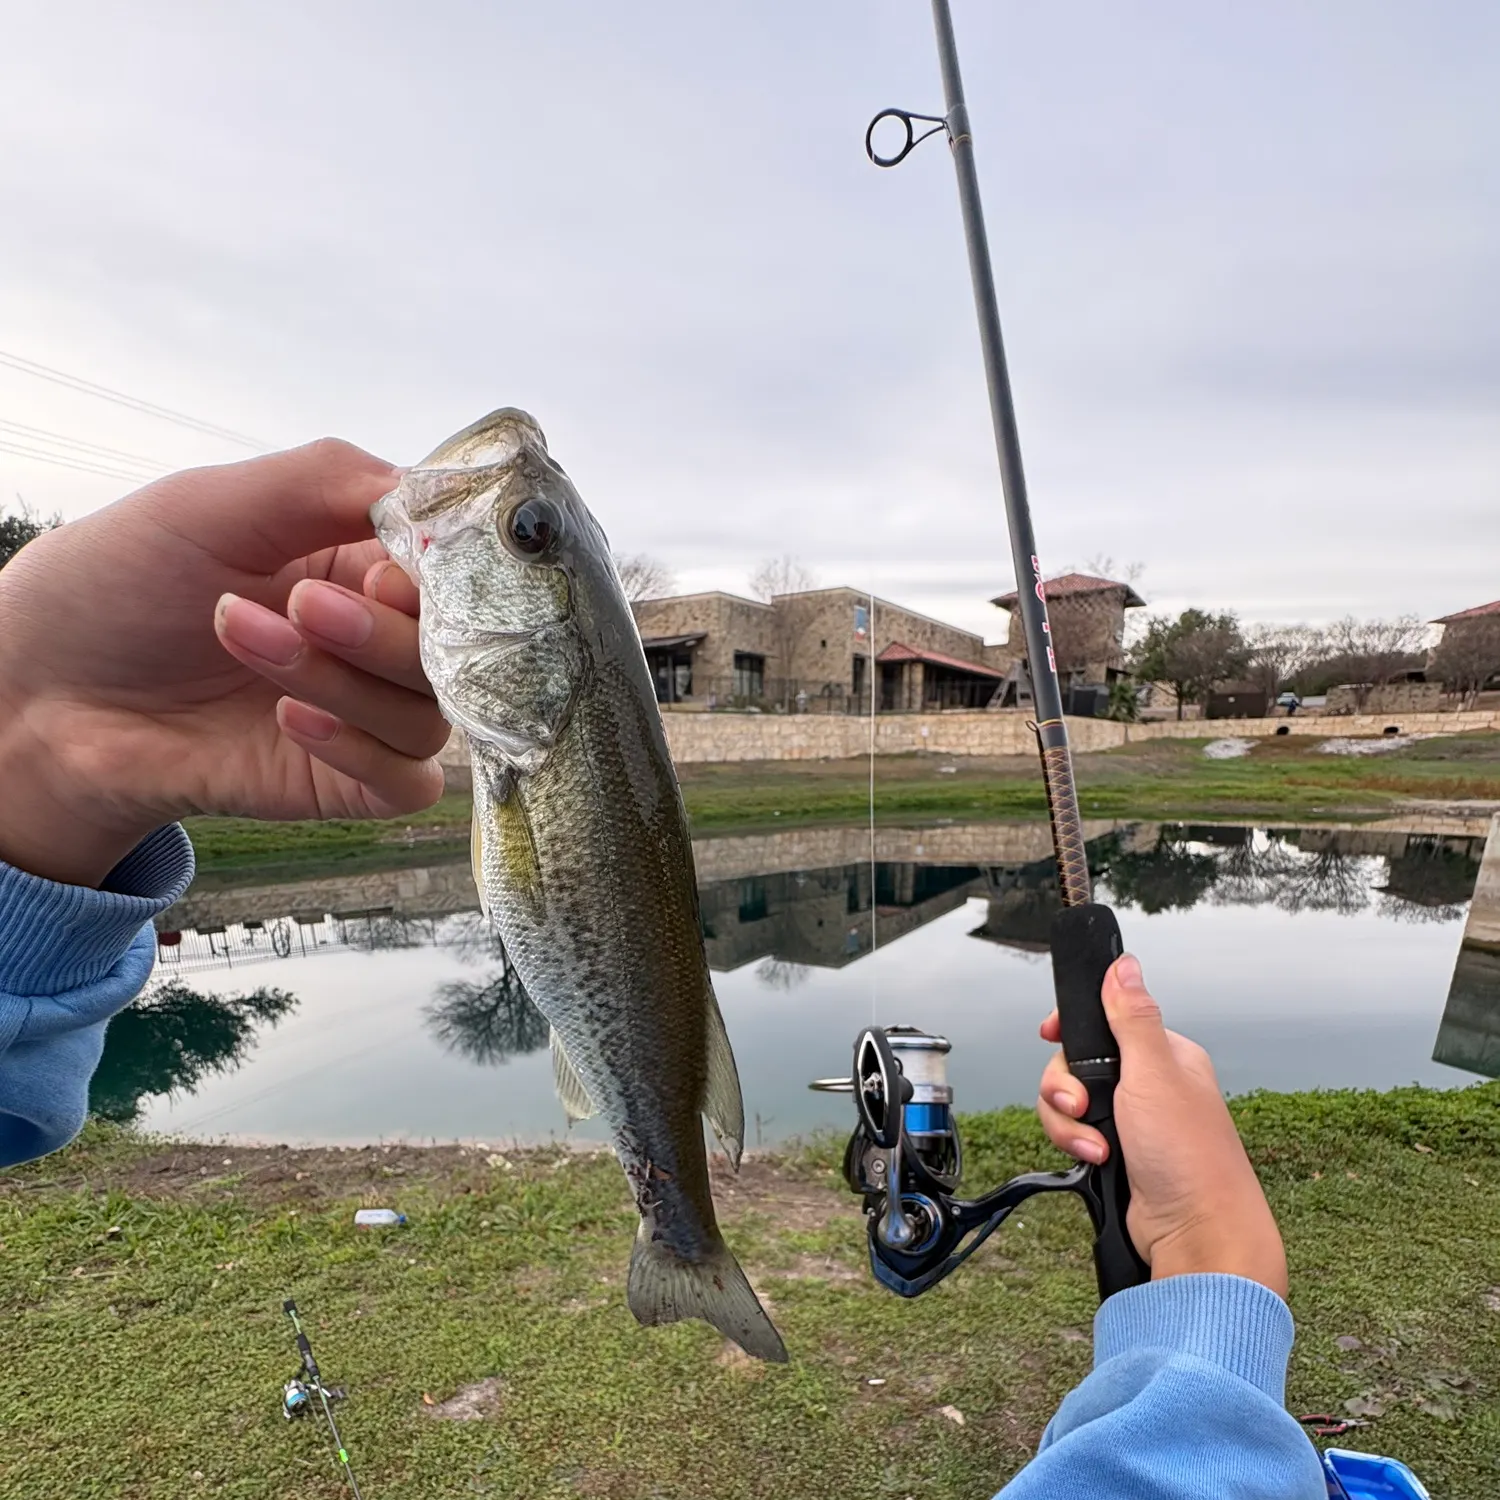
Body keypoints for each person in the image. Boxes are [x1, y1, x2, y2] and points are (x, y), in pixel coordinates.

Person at [0, 443, 1325, 1497]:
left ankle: (676, 1239)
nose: (511, 511)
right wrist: (1208, 1253)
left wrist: (36, 743)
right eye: (540, 534)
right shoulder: (526, 720)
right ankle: (679, 1239)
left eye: (527, 537)